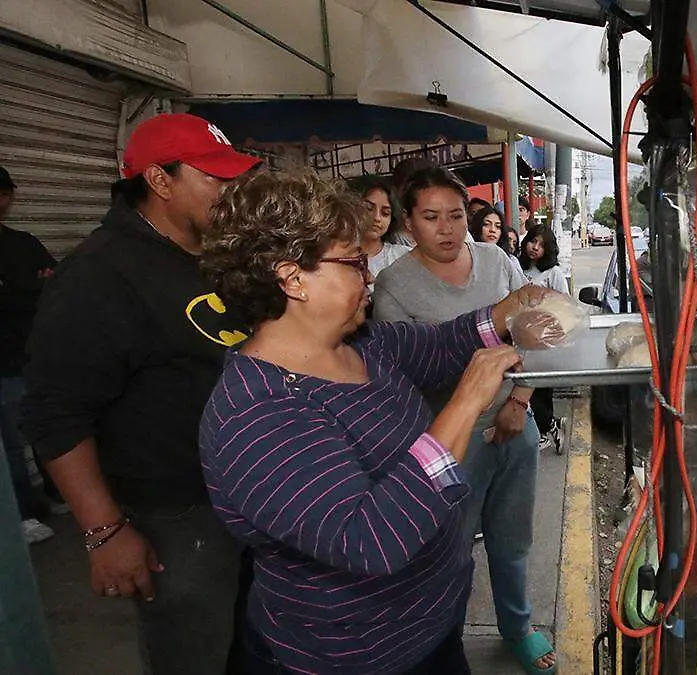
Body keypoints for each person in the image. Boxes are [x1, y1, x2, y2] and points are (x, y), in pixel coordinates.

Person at [197, 169, 550, 674]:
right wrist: (467, 401)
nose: (368, 276)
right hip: (362, 656)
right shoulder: (255, 413)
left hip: (432, 623)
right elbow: (371, 539)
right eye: (352, 263)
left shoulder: (364, 345)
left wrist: (508, 310)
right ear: (292, 278)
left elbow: (441, 344)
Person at [20, 113, 260, 675]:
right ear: (159, 180)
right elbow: (55, 415)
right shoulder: (100, 275)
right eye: (215, 178)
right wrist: (104, 531)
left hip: (244, 496)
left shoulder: (213, 255)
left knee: (252, 646)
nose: (231, 193)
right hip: (175, 515)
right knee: (193, 653)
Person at [373, 167, 557, 675]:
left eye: (456, 214)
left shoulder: (498, 260)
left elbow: (536, 330)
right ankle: (442, 641)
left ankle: (517, 627)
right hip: (449, 441)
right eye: (431, 217)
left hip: (515, 422)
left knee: (513, 537)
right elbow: (405, 373)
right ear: (408, 223)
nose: (448, 228)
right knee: (450, 552)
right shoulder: (394, 285)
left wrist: (519, 400)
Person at [0, 165, 59, 543]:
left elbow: (53, 287)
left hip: (25, 354)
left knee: (40, 429)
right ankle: (21, 514)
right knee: (8, 442)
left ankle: (52, 495)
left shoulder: (23, 243)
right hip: (10, 359)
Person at [517, 228, 569, 450]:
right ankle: (549, 426)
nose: (534, 247)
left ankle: (546, 428)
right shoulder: (517, 267)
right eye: (531, 241)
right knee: (521, 385)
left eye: (540, 244)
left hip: (543, 339)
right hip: (519, 337)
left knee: (538, 386)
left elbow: (565, 304)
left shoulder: (553, 273)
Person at [361, 179, 410, 279]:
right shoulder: (337, 258)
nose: (377, 218)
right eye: (368, 208)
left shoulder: (403, 256)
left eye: (385, 213)